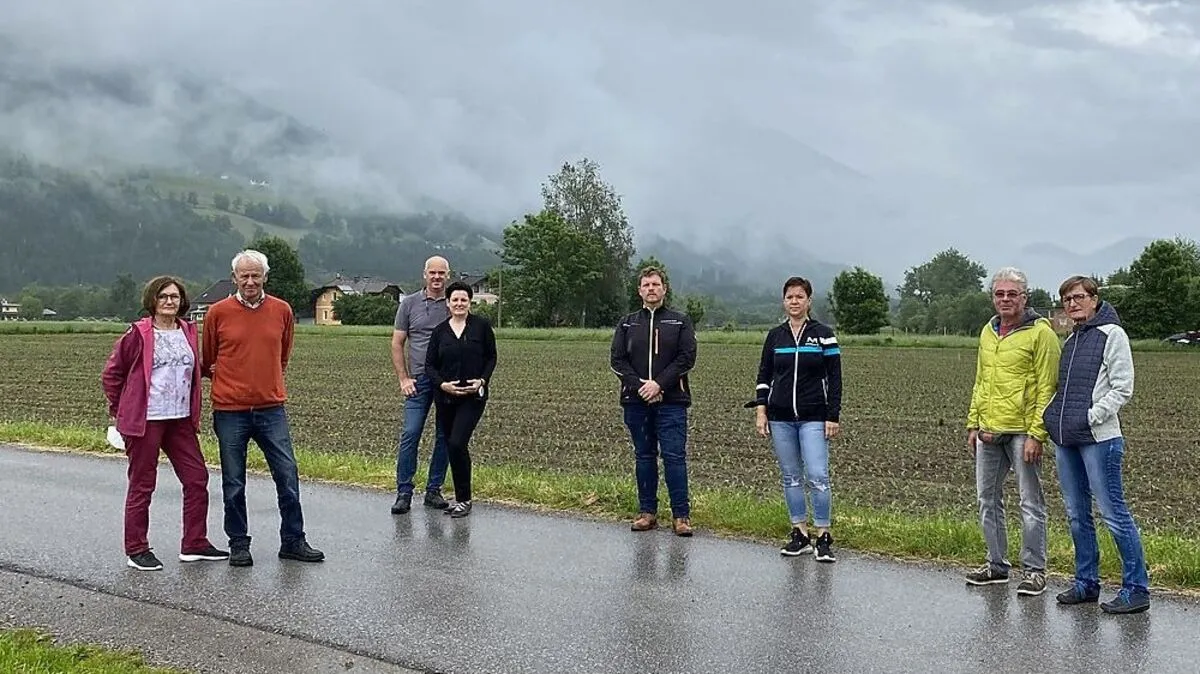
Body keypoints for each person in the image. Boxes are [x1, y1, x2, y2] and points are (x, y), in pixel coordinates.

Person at [201, 249, 324, 567]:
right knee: (234, 481)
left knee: (287, 474)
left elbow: (283, 355)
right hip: (230, 410)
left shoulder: (282, 311)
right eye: (245, 275)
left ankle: (293, 540)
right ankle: (239, 543)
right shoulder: (217, 312)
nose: (251, 281)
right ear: (235, 278)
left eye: (256, 275)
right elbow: (209, 359)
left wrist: (266, 382)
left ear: (265, 277)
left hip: (271, 408)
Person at [102, 276, 228, 570]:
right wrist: (120, 410)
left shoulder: (188, 330)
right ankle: (137, 549)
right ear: (153, 301)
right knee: (143, 485)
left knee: (197, 479)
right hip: (147, 421)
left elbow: (199, 367)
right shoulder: (139, 333)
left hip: (180, 420)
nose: (170, 301)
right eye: (163, 297)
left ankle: (194, 543)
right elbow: (112, 374)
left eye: (174, 296)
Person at [1043, 276, 1149, 614]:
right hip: (1067, 438)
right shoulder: (1073, 338)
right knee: (1076, 515)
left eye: (1077, 298)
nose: (1072, 304)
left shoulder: (1112, 335)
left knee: (1113, 514)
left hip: (1100, 439)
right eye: (1066, 300)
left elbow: (1122, 388)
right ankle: (1086, 583)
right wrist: (1054, 415)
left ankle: (1136, 588)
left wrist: (1090, 416)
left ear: (1094, 298)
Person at [964, 266, 1060, 596]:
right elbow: (980, 381)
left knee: (1030, 502)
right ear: (993, 298)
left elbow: (1048, 387)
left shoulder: (1041, 334)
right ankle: (996, 565)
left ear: (1024, 297)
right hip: (989, 430)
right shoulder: (988, 332)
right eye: (999, 294)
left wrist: (1037, 434)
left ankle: (1035, 570)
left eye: (1012, 294)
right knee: (987, 500)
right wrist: (973, 423)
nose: (1005, 299)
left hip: (1022, 432)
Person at [749, 276, 842, 562]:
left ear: (809, 301)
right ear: (784, 301)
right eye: (789, 297)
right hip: (780, 418)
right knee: (791, 477)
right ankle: (799, 533)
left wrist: (832, 415)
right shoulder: (775, 337)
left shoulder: (823, 334)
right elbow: (764, 375)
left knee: (817, 476)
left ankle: (823, 535)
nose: (794, 301)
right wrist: (761, 410)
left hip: (814, 417)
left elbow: (835, 379)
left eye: (799, 296)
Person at [610, 267, 697, 537]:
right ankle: (647, 513)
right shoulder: (627, 323)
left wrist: (659, 384)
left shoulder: (680, 322)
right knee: (644, 456)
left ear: (664, 289)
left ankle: (681, 516)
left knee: (674, 457)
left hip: (672, 401)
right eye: (646, 284)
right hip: (636, 402)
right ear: (639, 290)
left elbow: (686, 358)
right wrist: (642, 387)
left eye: (656, 284)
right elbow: (617, 360)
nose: (651, 288)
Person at [423, 280, 497, 518]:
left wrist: (482, 381)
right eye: (454, 299)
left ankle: (464, 499)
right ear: (447, 303)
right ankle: (460, 497)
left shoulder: (482, 327)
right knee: (451, 444)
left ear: (469, 302)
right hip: (445, 398)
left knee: (457, 443)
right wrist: (443, 384)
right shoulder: (439, 332)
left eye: (463, 299)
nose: (459, 303)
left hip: (472, 398)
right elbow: (430, 365)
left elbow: (491, 357)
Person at [390, 255, 452, 515]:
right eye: (432, 273)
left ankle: (433, 490)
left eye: (441, 273)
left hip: (447, 383)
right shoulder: (410, 304)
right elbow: (397, 343)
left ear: (448, 276)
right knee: (411, 434)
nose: (436, 277)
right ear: (424, 274)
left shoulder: (455, 303)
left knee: (444, 437)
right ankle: (404, 492)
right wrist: (404, 378)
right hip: (418, 381)